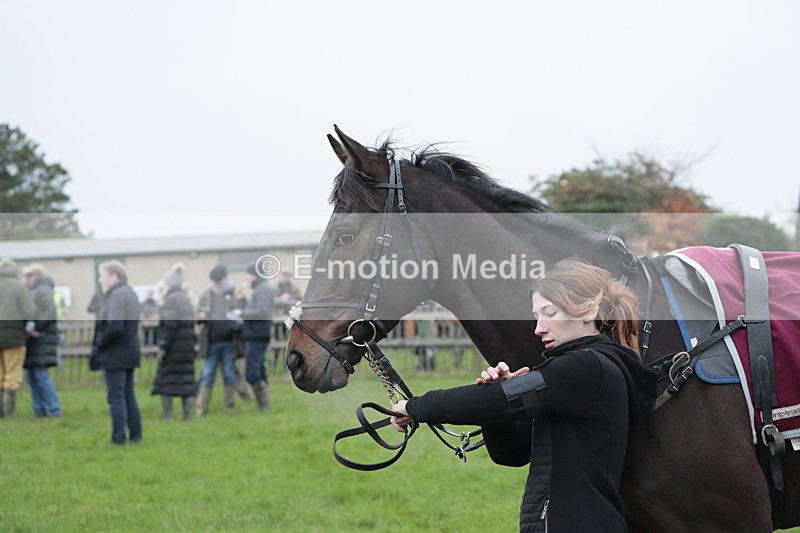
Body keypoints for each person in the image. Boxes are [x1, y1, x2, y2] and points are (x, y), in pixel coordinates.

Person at [391, 259, 657, 532]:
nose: (538, 328)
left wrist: (415, 407)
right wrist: (495, 399)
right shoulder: (582, 371)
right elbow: (511, 453)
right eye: (536, 316)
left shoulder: (586, 367)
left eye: (550, 313)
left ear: (589, 310)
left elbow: (497, 402)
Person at [90, 260, 143, 445]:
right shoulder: (129, 293)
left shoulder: (117, 296)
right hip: (128, 349)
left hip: (116, 352)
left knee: (116, 397)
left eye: (103, 276)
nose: (100, 280)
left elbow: (115, 326)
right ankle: (135, 435)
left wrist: (100, 344)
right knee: (128, 394)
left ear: (114, 276)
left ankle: (118, 438)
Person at [151, 263, 198, 421]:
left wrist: (163, 346)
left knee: (166, 382)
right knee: (186, 381)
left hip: (173, 348)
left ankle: (168, 417)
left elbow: (169, 325)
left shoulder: (170, 300)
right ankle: (188, 416)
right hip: (186, 346)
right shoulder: (186, 299)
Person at [195, 264, 238, 416]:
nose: (219, 283)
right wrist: (201, 316)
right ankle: (201, 408)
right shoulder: (207, 295)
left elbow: (240, 313)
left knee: (229, 374)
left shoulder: (232, 294)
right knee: (207, 375)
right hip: (211, 342)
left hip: (229, 341)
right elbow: (199, 315)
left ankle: (228, 407)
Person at [22, 263, 63, 417]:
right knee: (32, 376)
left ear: (36, 276)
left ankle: (54, 408)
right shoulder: (35, 290)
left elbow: (50, 311)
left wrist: (37, 327)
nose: (27, 279)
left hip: (41, 339)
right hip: (35, 340)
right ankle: (39, 409)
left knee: (40, 375)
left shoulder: (42, 290)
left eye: (29, 276)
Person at [231, 264, 273, 411]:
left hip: (257, 334)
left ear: (255, 274)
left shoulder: (263, 289)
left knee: (252, 372)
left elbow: (261, 312)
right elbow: (254, 309)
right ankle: (264, 405)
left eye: (248, 274)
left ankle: (263, 404)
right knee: (259, 369)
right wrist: (241, 299)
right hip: (255, 334)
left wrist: (240, 313)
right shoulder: (260, 289)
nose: (246, 278)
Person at [0, 258, 36, 418]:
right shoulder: (19, 286)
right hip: (13, 337)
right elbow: (29, 311)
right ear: (14, 270)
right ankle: (8, 413)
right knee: (12, 375)